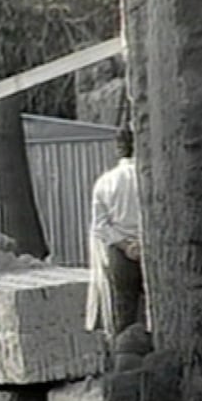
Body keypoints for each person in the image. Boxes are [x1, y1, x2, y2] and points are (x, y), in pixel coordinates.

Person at [88, 128, 145, 335]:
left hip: (121, 252)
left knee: (124, 307)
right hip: (150, 247)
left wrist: (126, 246)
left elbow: (100, 225)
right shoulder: (149, 177)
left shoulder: (105, 182)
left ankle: (125, 348)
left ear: (118, 149)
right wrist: (141, 243)